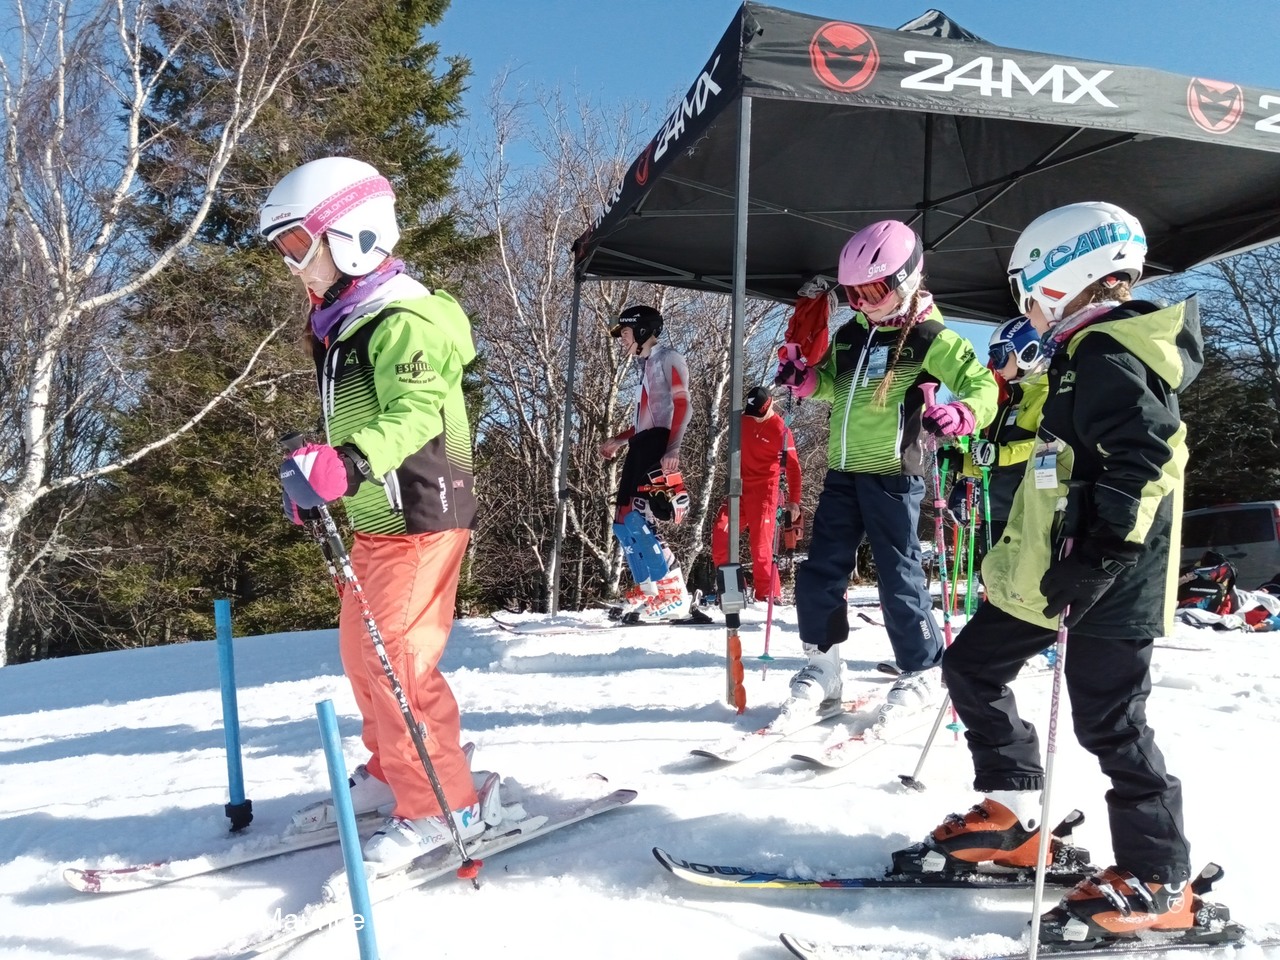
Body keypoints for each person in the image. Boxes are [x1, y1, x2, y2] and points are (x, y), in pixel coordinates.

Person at [894, 201, 1231, 946]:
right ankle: (1013, 819)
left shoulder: (1110, 352)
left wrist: (1102, 555)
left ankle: (1159, 878)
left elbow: (1145, 458)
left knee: (1111, 721)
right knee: (972, 668)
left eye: (1026, 291)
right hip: (1055, 571)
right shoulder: (1081, 354)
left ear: (1063, 274)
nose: (1026, 308)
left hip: (1110, 575)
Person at [262, 157, 495, 872]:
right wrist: (320, 476)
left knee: (400, 662)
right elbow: (358, 423)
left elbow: (416, 412)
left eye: (298, 245)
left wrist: (351, 461)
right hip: (376, 522)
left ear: (354, 236)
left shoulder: (404, 319)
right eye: (283, 250)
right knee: (363, 656)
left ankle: (443, 805)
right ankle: (396, 771)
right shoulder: (348, 323)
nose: (293, 265)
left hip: (422, 515)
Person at [774, 220, 998, 723]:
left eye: (872, 291)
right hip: (843, 471)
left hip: (895, 475)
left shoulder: (932, 338)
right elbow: (832, 385)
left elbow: (982, 385)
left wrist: (963, 412)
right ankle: (824, 667)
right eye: (852, 294)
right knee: (819, 572)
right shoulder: (852, 333)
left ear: (907, 279)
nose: (861, 303)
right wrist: (806, 381)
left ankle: (922, 668)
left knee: (898, 575)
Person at [600, 305, 695, 621]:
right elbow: (645, 419)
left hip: (658, 444)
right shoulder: (645, 364)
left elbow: (683, 404)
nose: (622, 340)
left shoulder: (669, 358)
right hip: (641, 443)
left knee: (640, 520)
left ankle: (673, 592)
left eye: (625, 333)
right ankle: (649, 588)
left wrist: (673, 448)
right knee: (622, 522)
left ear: (642, 331)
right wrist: (619, 440)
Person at [945, 315, 1050, 549]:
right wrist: (961, 462)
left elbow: (1047, 447)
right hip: (994, 511)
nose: (996, 366)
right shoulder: (1009, 403)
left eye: (1000, 356)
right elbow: (993, 462)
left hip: (1025, 514)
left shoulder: (1046, 396)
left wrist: (999, 454)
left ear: (1027, 352)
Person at [710, 386, 802, 603]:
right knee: (721, 535)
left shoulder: (781, 430)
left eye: (759, 414)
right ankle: (734, 589)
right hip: (739, 490)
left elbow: (794, 468)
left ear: (770, 406)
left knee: (761, 547)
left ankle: (768, 597)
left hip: (765, 493)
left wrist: (794, 501)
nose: (755, 417)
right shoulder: (742, 421)